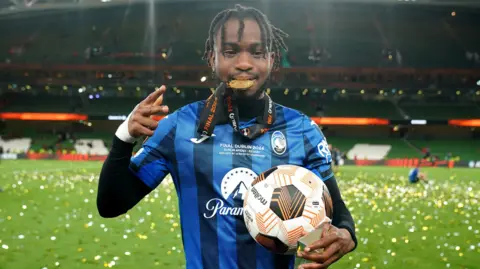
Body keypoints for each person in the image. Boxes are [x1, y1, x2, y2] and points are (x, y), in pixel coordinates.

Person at [97, 4, 356, 269]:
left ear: (272, 59)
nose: (244, 64)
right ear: (212, 58)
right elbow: (111, 204)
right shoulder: (178, 127)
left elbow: (337, 211)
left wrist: (346, 235)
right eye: (231, 51)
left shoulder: (302, 130)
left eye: (257, 52)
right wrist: (123, 137)